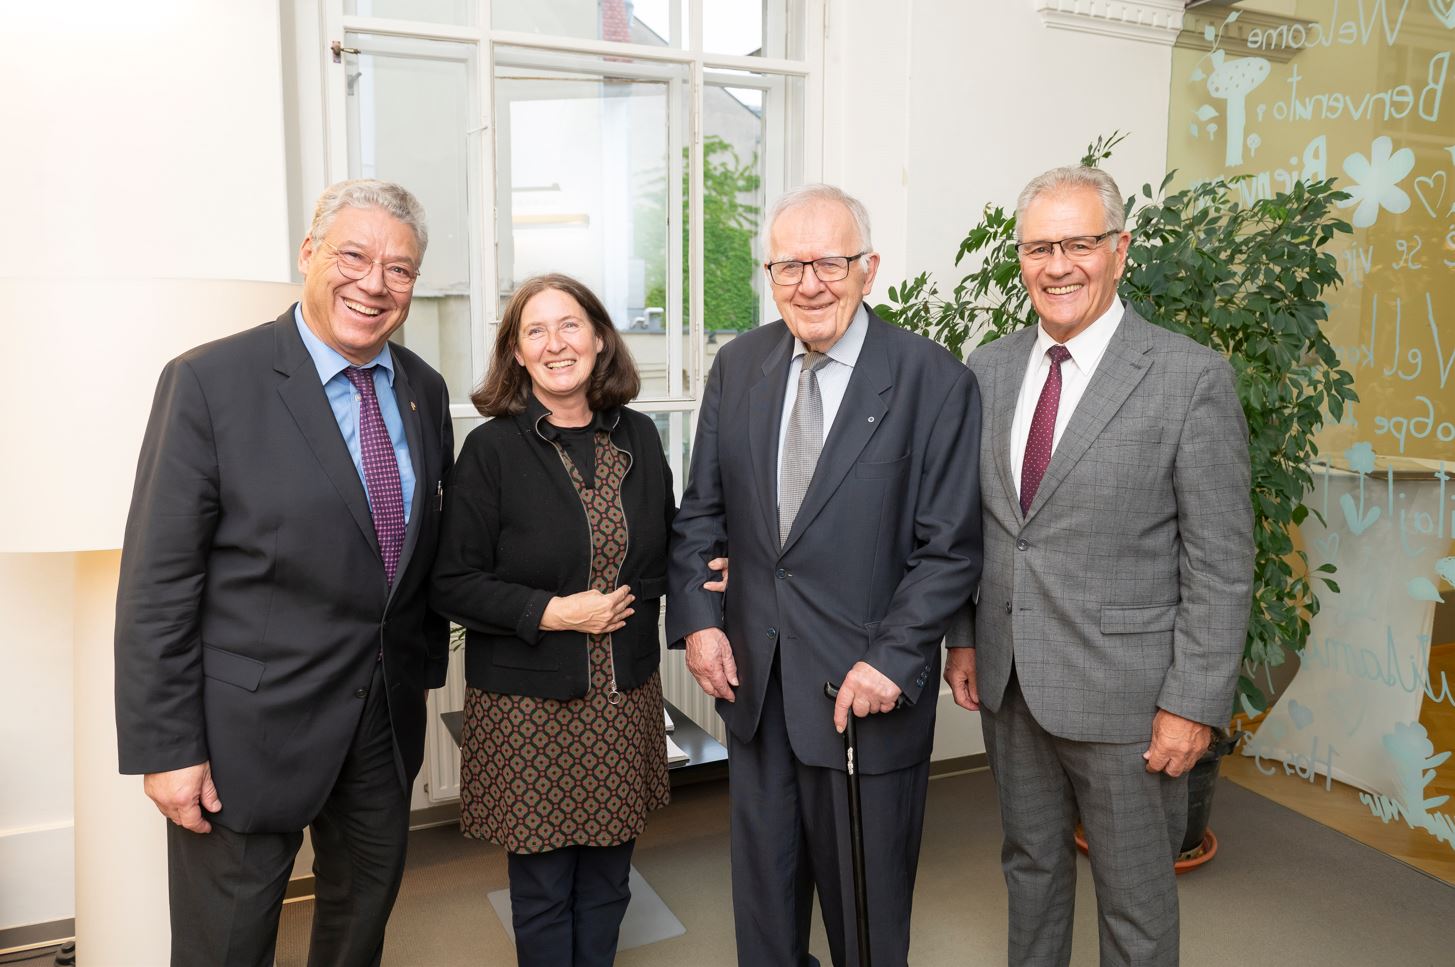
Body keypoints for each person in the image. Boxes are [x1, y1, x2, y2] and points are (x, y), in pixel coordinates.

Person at [114, 179, 453, 966]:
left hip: (381, 724)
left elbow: (422, 549)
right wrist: (167, 746)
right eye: (354, 256)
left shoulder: (421, 390)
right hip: (245, 736)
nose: (374, 284)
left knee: (356, 931)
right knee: (225, 947)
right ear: (309, 254)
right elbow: (158, 583)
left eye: (399, 269)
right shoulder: (209, 382)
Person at [944, 164, 1254, 966]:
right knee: (1030, 870)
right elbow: (975, 527)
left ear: (1118, 250)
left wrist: (1192, 703)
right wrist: (964, 639)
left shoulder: (1189, 378)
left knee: (1137, 904)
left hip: (1131, 702)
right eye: (1038, 246)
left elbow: (1220, 564)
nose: (1057, 265)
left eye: (1077, 243)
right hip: (1011, 686)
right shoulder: (989, 369)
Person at [667, 184, 983, 966]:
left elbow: (950, 546)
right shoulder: (738, 366)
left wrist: (892, 657)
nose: (809, 282)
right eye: (788, 265)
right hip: (755, 688)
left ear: (867, 268)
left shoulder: (931, 379)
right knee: (764, 919)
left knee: (865, 924)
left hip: (861, 695)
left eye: (829, 262)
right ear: (769, 275)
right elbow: (699, 511)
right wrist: (700, 625)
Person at [430, 274, 678, 967]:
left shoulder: (636, 434)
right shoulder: (491, 451)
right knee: (541, 890)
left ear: (599, 338)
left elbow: (671, 539)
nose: (554, 343)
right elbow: (451, 582)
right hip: (526, 708)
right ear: (515, 353)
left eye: (569, 325)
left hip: (622, 697)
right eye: (533, 331)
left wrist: (726, 567)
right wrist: (551, 610)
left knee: (607, 881)